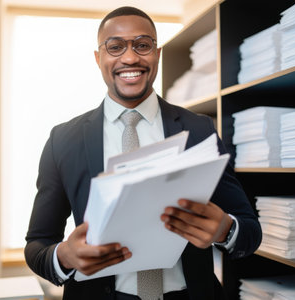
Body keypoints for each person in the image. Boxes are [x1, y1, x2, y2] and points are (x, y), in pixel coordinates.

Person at [25, 6, 262, 300]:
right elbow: (37, 244)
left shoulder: (199, 129)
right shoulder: (63, 139)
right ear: (98, 58)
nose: (130, 57)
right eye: (115, 47)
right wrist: (64, 257)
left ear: (157, 54)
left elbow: (250, 231)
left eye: (142, 45)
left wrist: (225, 230)